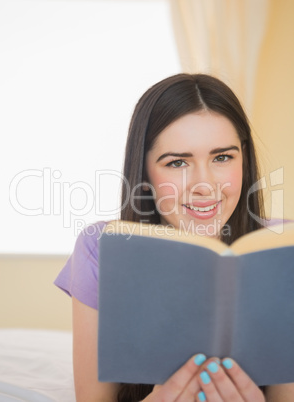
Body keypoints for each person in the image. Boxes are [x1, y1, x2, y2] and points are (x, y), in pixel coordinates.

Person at [55, 73, 294, 402]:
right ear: (145, 171)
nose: (204, 185)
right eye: (178, 162)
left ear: (244, 157)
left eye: (222, 157)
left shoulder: (283, 248)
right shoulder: (102, 247)